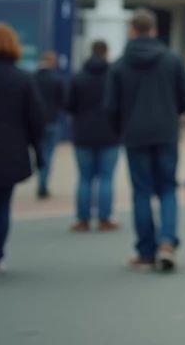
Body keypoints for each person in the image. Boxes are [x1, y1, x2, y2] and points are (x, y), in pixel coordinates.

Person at [107, 8, 185, 271]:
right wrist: (172, 112)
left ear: (132, 30)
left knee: (142, 191)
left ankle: (145, 251)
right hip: (165, 132)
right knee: (168, 188)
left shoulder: (120, 64)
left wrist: (121, 129)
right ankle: (167, 241)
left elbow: (110, 107)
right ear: (154, 30)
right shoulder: (171, 59)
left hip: (135, 134)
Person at [0, 22, 45, 284]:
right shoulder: (23, 79)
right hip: (11, 152)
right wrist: (36, 148)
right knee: (3, 208)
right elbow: (36, 119)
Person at [65, 40, 122, 231]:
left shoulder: (79, 76)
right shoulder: (113, 75)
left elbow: (68, 104)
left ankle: (83, 219)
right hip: (110, 132)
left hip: (83, 132)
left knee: (84, 177)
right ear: (107, 52)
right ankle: (105, 218)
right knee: (106, 177)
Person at [32, 50, 65, 199]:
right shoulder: (56, 80)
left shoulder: (32, 78)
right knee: (48, 155)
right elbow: (63, 102)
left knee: (39, 153)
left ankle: (40, 181)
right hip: (52, 121)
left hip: (36, 122)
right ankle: (43, 184)